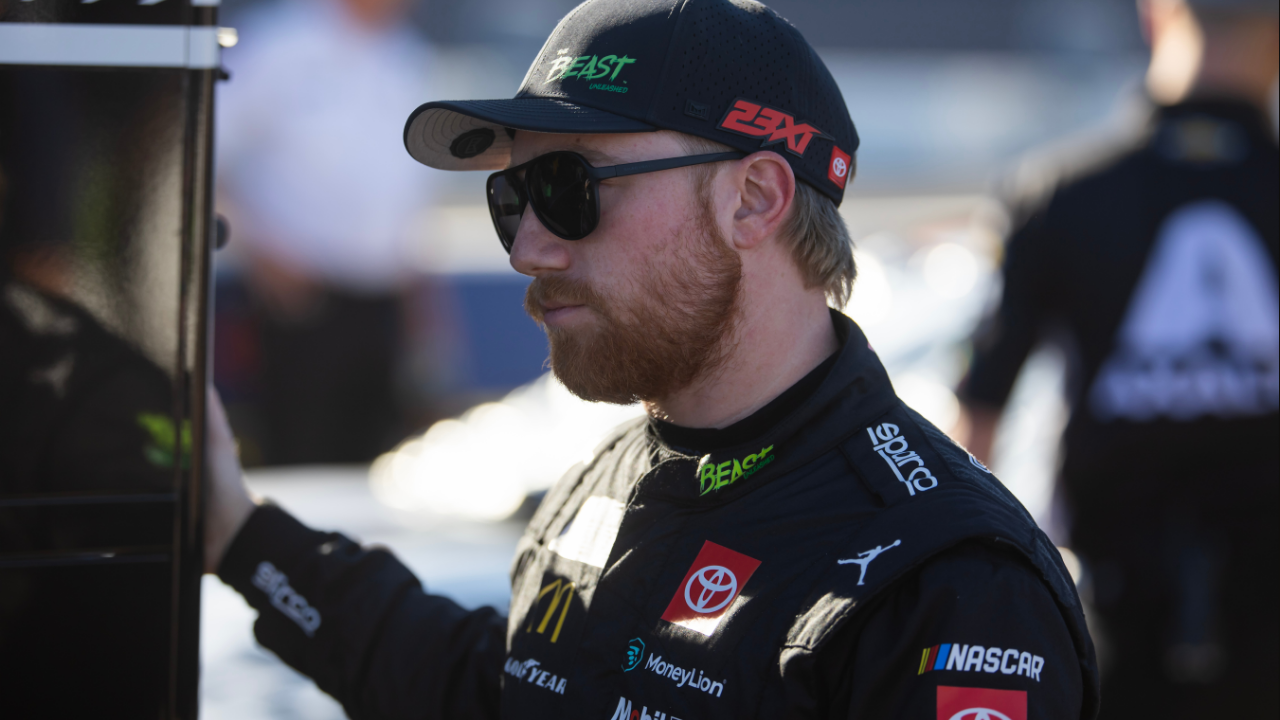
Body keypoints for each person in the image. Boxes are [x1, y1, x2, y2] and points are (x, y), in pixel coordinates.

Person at [205, 0, 1100, 717]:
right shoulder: (602, 481)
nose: (529, 248)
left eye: (570, 188)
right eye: (514, 196)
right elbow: (496, 691)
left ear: (754, 199)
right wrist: (240, 533)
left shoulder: (951, 584)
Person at [956, 1, 1278, 717]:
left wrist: (976, 595)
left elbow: (976, 422)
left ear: (1157, 16)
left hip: (1105, 614)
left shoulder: (1058, 190)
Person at [215, 0, 437, 464]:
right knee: (301, 461)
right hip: (298, 303)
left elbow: (407, 193)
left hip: (384, 301)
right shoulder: (277, 44)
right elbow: (206, 153)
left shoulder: (407, 53)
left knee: (379, 462)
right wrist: (264, 256)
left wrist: (422, 303)